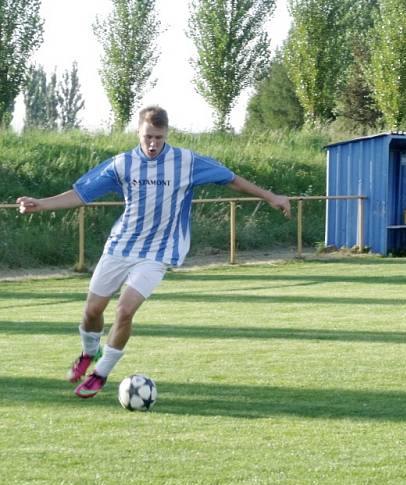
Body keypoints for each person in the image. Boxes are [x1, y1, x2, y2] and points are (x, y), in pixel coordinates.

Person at [16, 105, 291, 398]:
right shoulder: (121, 164)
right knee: (92, 311)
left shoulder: (186, 161)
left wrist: (271, 196)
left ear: (166, 134)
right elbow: (81, 194)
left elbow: (231, 178)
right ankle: (88, 353)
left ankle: (101, 374)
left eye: (158, 137)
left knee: (124, 310)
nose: (152, 144)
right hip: (121, 246)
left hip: (159, 252)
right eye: (148, 136)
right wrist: (41, 203)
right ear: (138, 131)